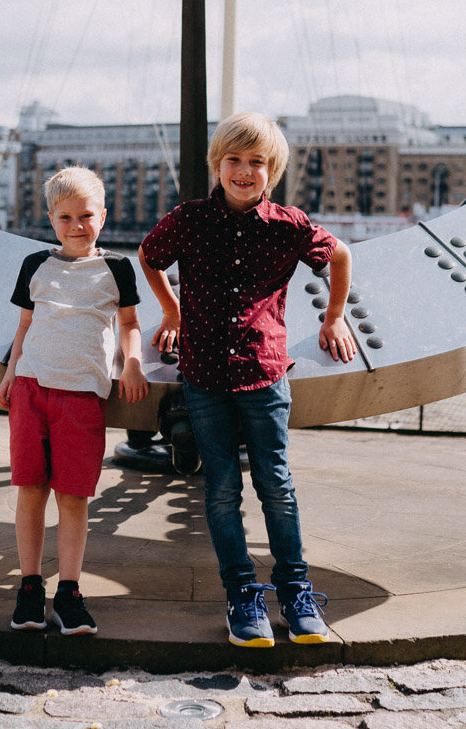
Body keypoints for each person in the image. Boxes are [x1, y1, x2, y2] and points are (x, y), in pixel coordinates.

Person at [138, 112, 355, 648]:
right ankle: (241, 593)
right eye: (233, 160)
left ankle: (295, 589)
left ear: (272, 171)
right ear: (217, 165)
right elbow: (149, 256)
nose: (244, 170)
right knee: (222, 490)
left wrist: (334, 317)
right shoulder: (189, 220)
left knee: (276, 487)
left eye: (257, 162)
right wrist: (172, 311)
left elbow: (340, 254)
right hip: (205, 377)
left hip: (264, 374)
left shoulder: (289, 225)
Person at [0, 166, 148, 633]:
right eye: (65, 218)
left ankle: (69, 592)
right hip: (31, 388)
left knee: (74, 498)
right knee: (30, 492)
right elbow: (24, 327)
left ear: (103, 216)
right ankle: (28, 587)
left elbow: (129, 324)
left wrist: (133, 363)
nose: (77, 226)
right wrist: (10, 374)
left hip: (82, 396)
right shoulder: (35, 266)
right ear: (50, 219)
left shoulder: (117, 268)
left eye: (86, 216)